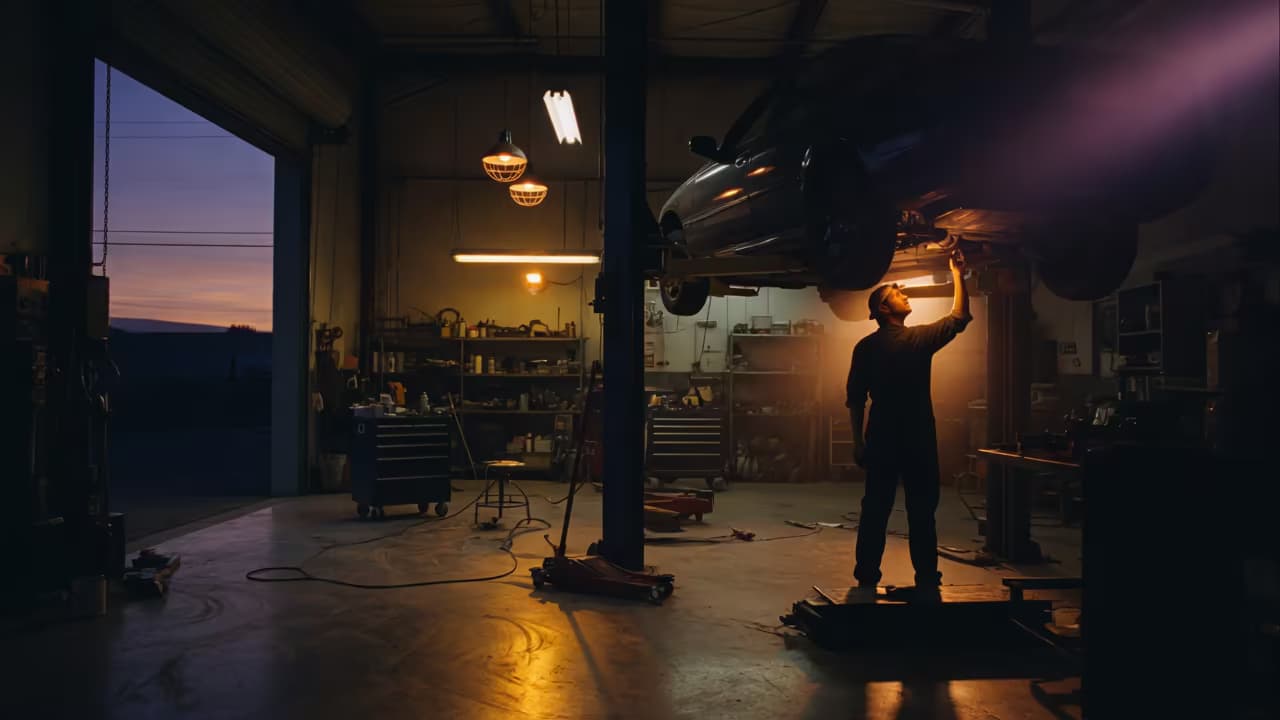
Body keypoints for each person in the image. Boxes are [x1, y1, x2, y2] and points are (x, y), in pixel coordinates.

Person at [846, 249, 971, 594]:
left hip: (882, 437)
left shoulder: (865, 347)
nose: (904, 295)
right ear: (884, 309)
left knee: (876, 508)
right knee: (922, 511)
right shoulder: (918, 340)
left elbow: (856, 399)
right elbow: (960, 316)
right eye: (896, 294)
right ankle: (927, 577)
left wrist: (858, 442)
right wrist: (958, 274)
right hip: (918, 438)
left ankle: (866, 575)